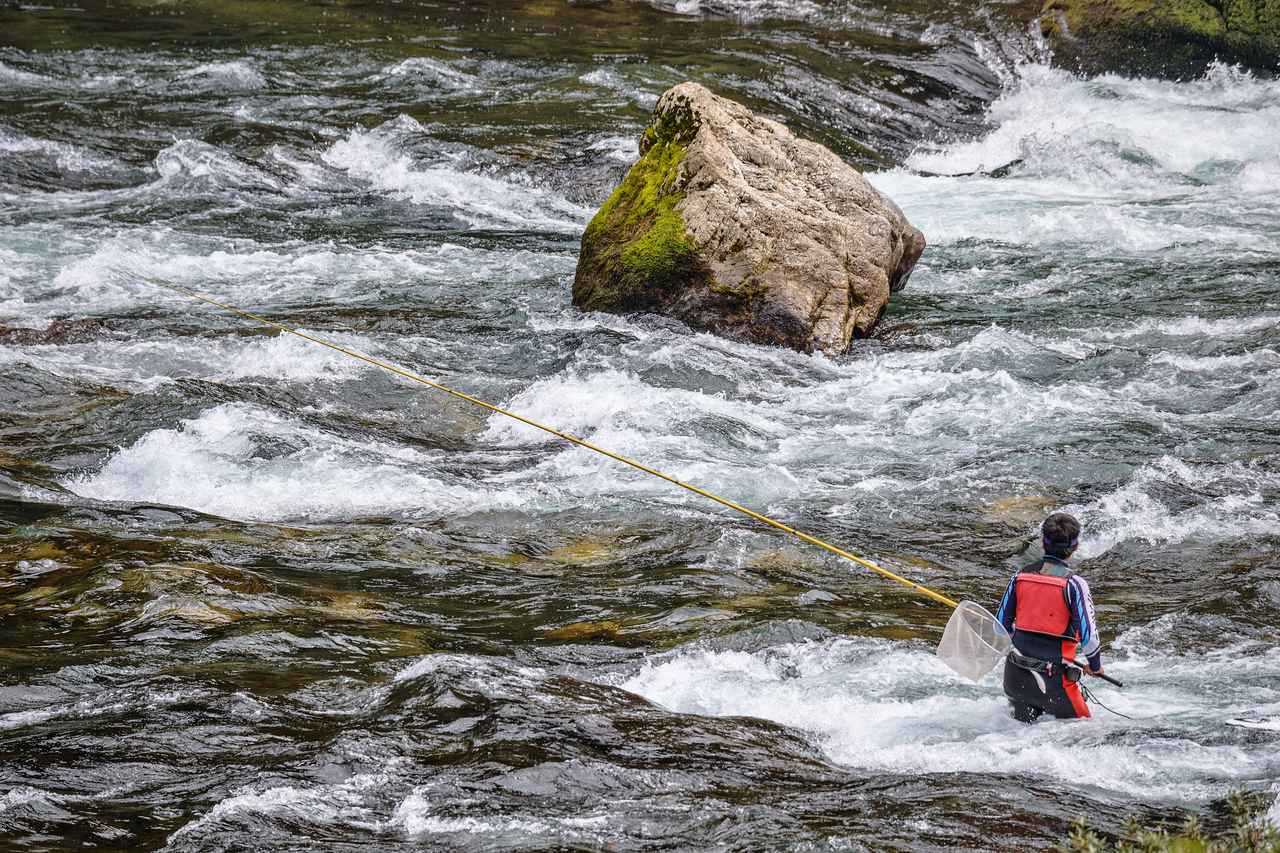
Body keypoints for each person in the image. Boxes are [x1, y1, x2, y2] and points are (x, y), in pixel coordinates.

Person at [995, 512, 1103, 722]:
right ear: (1075, 547)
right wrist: (1095, 666)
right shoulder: (1075, 584)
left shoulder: (1019, 577)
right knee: (1086, 738)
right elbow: (1089, 640)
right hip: (1054, 684)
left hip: (1015, 679)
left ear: (1042, 543)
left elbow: (1000, 628)